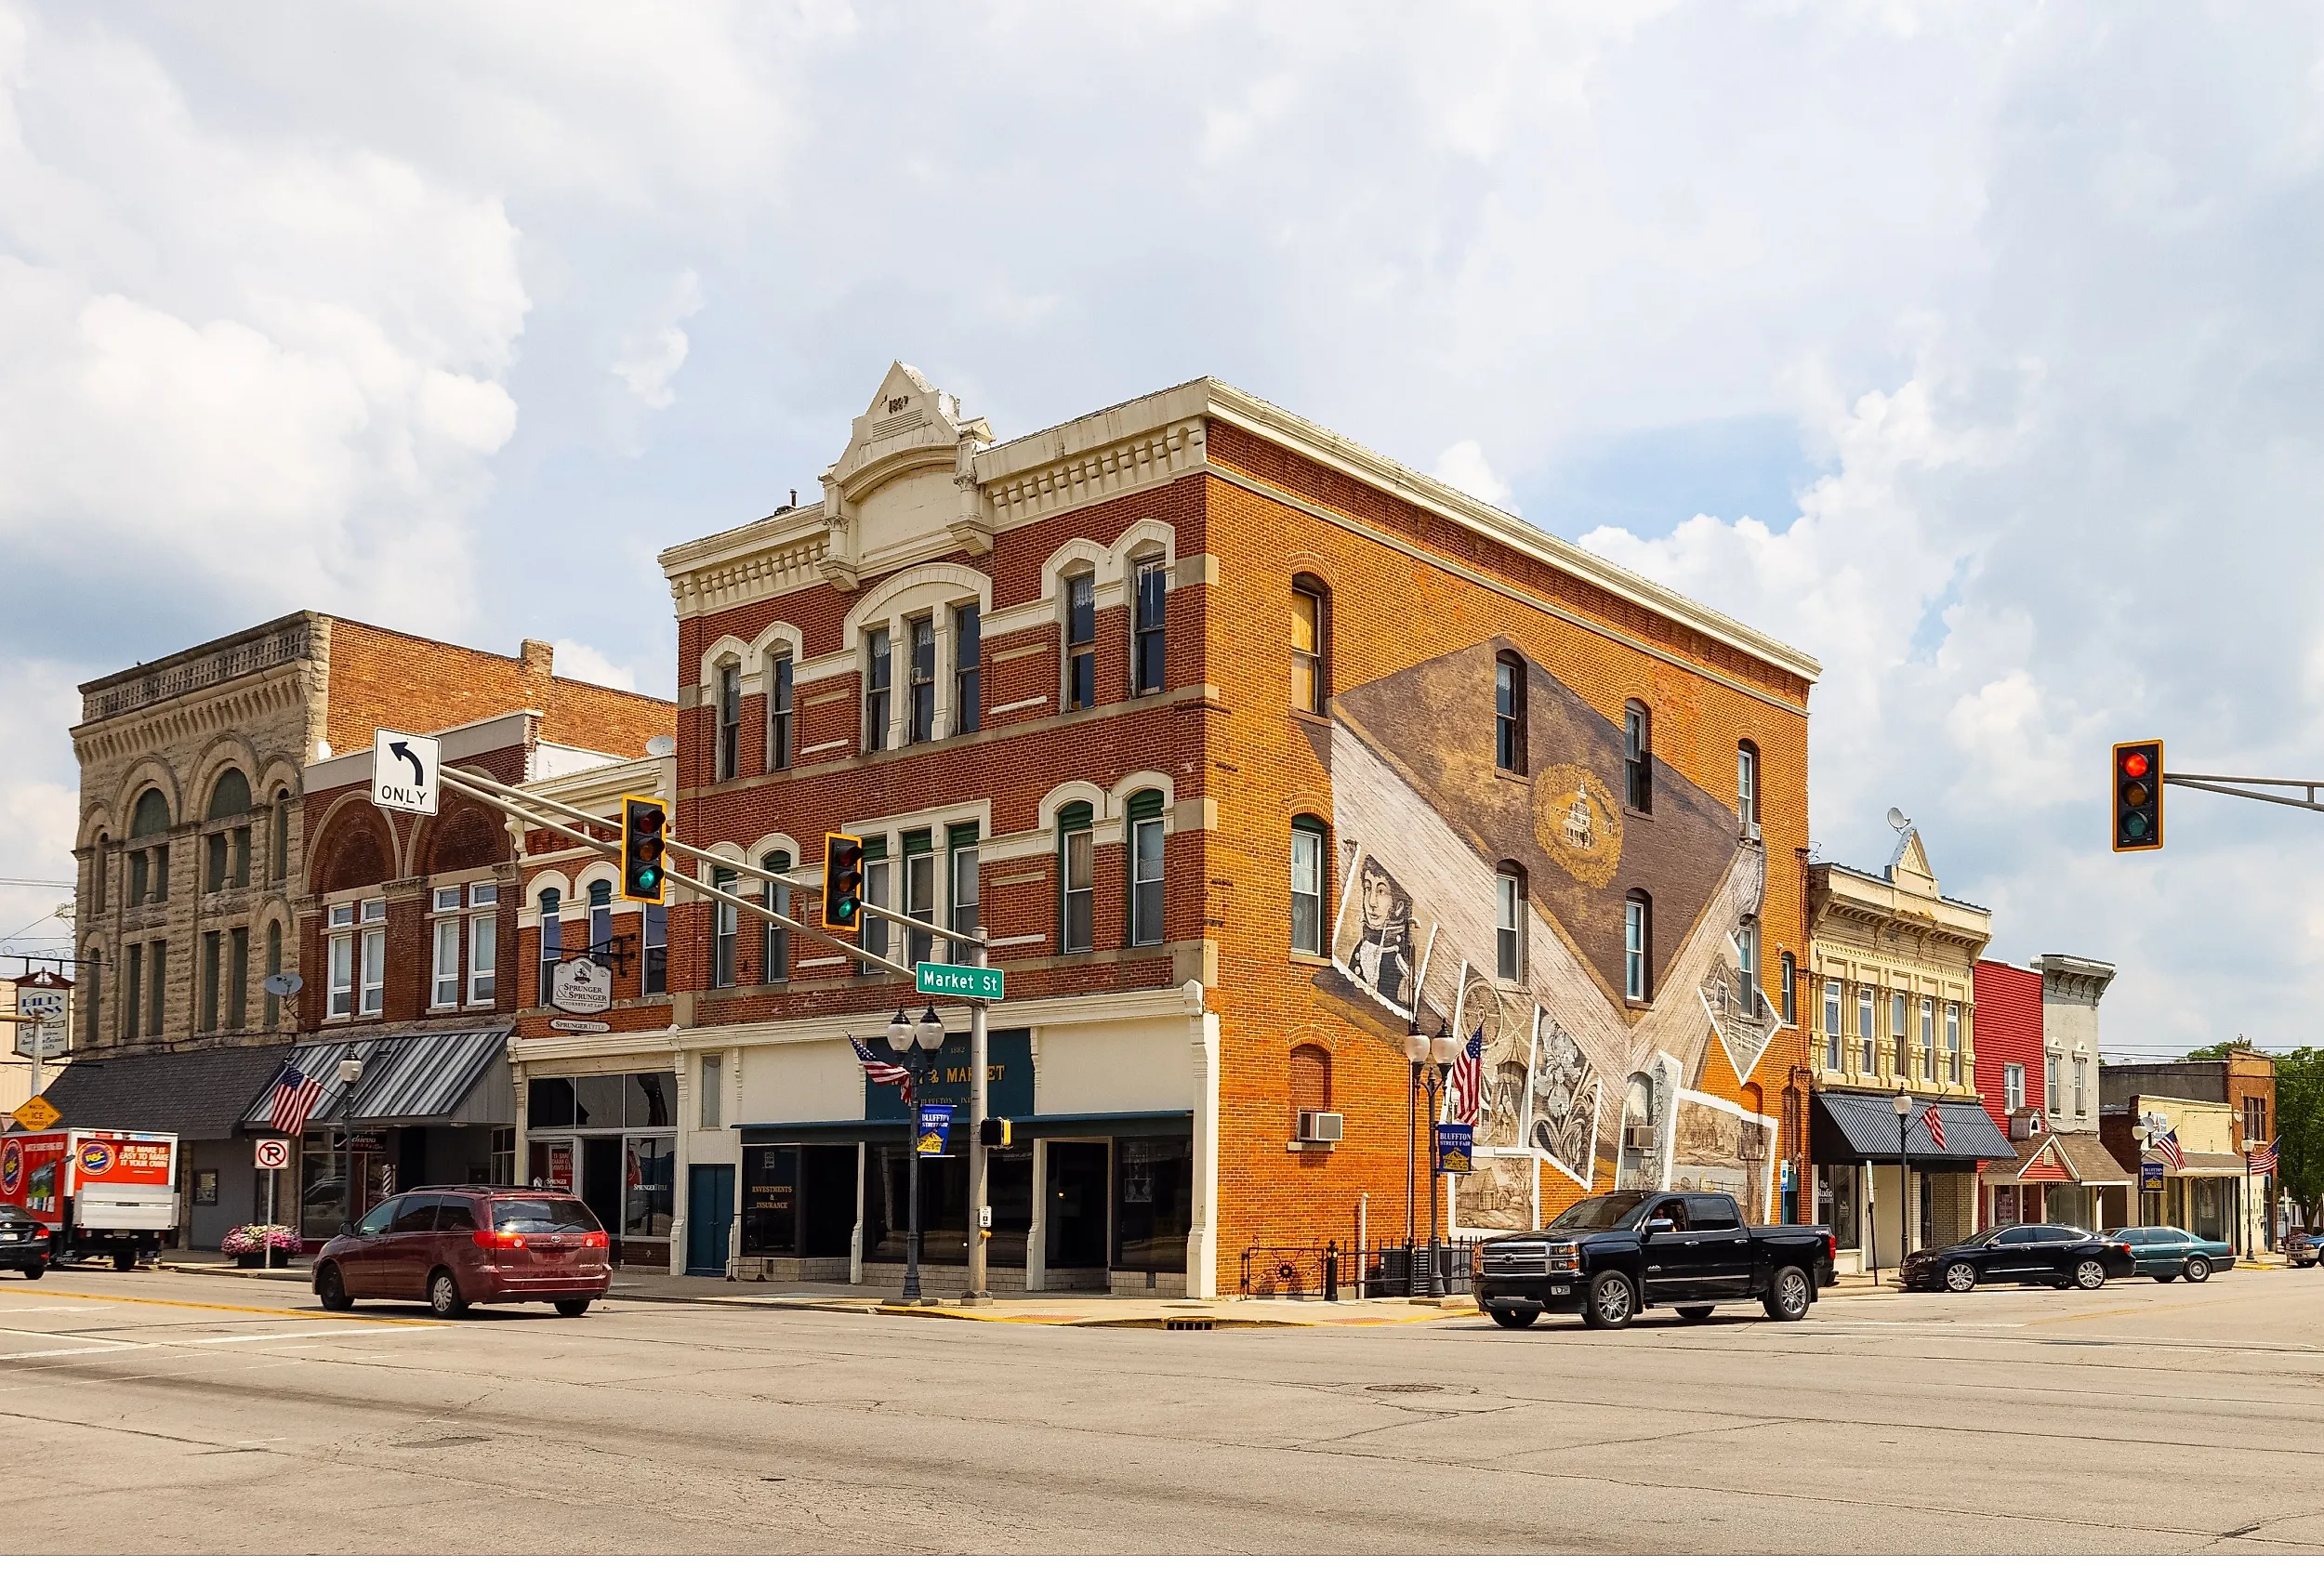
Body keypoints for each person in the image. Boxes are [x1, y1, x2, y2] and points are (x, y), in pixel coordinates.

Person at [1347, 855, 1414, 1007]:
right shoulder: (1361, 950)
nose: (1371, 902)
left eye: (1381, 891)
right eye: (1368, 888)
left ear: (1399, 907)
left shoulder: (1403, 960)